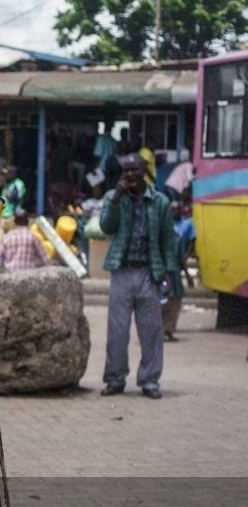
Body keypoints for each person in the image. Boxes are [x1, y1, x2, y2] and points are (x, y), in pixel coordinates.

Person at [100, 154, 177, 400]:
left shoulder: (160, 201)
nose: (130, 174)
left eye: (135, 169)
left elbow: (168, 238)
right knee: (117, 332)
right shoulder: (114, 198)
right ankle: (115, 379)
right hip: (121, 272)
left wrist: (169, 272)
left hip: (148, 273)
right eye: (126, 170)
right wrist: (116, 197)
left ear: (144, 171)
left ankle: (150, 380)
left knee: (151, 331)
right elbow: (105, 227)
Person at [162, 200, 196, 342]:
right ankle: (163, 330)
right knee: (164, 302)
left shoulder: (182, 228)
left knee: (175, 301)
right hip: (164, 271)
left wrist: (187, 275)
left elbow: (181, 256)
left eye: (177, 209)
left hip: (174, 271)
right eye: (172, 209)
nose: (175, 212)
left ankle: (169, 330)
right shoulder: (164, 229)